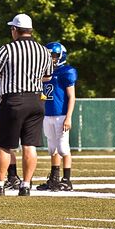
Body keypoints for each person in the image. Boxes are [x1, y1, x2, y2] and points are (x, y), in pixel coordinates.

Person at [0, 14, 53, 196]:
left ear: (15, 30)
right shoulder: (43, 51)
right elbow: (48, 76)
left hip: (14, 100)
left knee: (5, 145)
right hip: (37, 100)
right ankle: (26, 185)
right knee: (29, 145)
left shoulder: (7, 49)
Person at [37, 42, 77, 192]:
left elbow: (71, 97)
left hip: (61, 115)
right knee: (52, 148)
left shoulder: (66, 72)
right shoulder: (43, 73)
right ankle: (54, 180)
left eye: (53, 56)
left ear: (61, 56)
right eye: (49, 56)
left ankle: (67, 180)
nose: (51, 59)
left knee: (63, 148)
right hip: (47, 115)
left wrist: (69, 117)